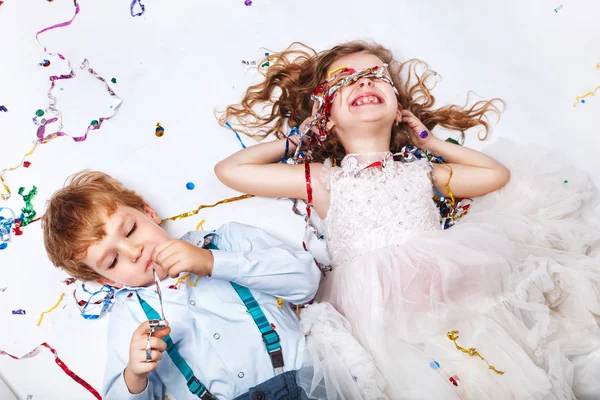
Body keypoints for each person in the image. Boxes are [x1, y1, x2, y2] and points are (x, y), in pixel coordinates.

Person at [214, 40, 600, 399]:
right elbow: (231, 170)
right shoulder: (326, 179)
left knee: (485, 372)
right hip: (381, 319)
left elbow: (493, 175)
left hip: (453, 299)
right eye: (345, 81)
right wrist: (297, 138)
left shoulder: (421, 173)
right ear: (326, 117)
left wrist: (426, 140)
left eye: (376, 76)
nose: (364, 81)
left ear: (397, 108)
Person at [41, 171, 386, 400]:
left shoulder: (228, 239)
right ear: (105, 280)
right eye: (113, 261)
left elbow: (307, 283)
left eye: (130, 230)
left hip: (308, 385)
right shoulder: (129, 317)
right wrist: (134, 375)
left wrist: (213, 262)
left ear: (148, 211)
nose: (134, 252)